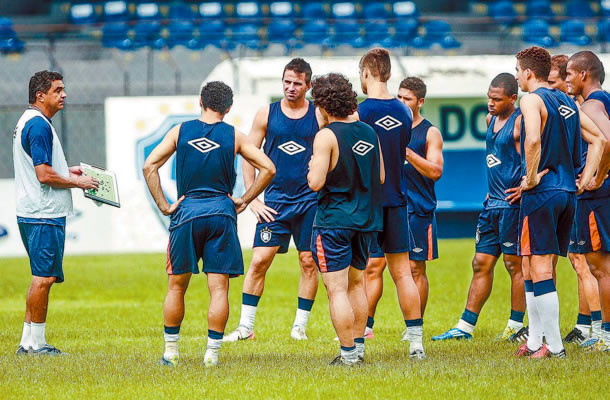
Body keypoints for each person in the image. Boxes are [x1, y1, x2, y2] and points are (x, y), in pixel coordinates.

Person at [143, 81, 275, 367]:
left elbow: (149, 166)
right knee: (219, 289)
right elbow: (269, 168)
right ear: (228, 108)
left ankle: (170, 353)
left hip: (186, 213)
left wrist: (165, 206)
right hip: (221, 214)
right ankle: (212, 355)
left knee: (176, 288)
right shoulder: (235, 136)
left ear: (200, 101)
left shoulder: (180, 131)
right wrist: (245, 199)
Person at [224, 58, 326, 342]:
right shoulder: (266, 114)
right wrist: (252, 198)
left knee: (308, 262)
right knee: (259, 261)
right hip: (275, 204)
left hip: (310, 202)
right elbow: (247, 153)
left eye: (297, 83)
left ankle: (299, 327)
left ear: (308, 85)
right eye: (287, 82)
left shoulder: (319, 115)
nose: (291, 87)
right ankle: (245, 328)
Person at [513, 46, 605, 359]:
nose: (517, 78)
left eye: (517, 72)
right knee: (529, 263)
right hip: (567, 193)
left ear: (527, 72)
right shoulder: (566, 101)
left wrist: (532, 175)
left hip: (542, 192)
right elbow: (599, 141)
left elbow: (533, 139)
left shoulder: (530, 99)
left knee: (538, 267)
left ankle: (554, 346)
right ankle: (537, 342)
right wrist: (585, 178)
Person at [433, 73, 527, 342]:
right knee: (480, 263)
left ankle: (515, 325)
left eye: (497, 99)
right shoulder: (489, 120)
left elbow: (536, 154)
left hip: (512, 206)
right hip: (491, 206)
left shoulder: (520, 122)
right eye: (489, 97)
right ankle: (465, 327)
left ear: (513, 98)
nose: (491, 103)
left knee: (514, 265)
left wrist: (525, 185)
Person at [13, 70, 99, 355]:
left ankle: (28, 342)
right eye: (57, 90)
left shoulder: (31, 121)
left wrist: (67, 171)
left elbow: (45, 169)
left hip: (34, 211)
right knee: (44, 278)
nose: (64, 95)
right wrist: (77, 181)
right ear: (40, 95)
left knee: (41, 276)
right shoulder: (38, 125)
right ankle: (35, 344)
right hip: (43, 212)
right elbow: (43, 175)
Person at [307, 72, 383, 365]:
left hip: (334, 222)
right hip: (366, 221)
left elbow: (315, 182)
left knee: (337, 289)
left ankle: (348, 355)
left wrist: (315, 163)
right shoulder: (369, 132)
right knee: (356, 285)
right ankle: (359, 349)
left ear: (324, 105)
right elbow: (381, 177)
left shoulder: (326, 135)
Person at [357, 48, 425, 358]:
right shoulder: (404, 112)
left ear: (367, 73)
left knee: (358, 276)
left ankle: (355, 343)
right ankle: (416, 345)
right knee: (403, 274)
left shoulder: (359, 113)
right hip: (398, 200)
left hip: (367, 205)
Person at [364, 76, 443, 341]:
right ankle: (366, 324)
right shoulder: (387, 122)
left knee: (414, 269)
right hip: (388, 206)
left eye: (407, 98)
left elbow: (436, 171)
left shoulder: (429, 132)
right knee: (373, 266)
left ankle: (413, 329)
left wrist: (406, 151)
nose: (401, 102)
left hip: (418, 208)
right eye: (398, 97)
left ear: (420, 102)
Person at [547, 54, 602, 346]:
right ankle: (588, 327)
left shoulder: (583, 108)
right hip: (581, 191)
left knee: (587, 262)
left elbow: (602, 141)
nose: (558, 88)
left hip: (586, 193)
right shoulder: (576, 107)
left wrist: (595, 176)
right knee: (585, 261)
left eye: (559, 81)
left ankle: (598, 331)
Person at [566, 50, 610, 352]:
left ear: (584, 74)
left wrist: (595, 176)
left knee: (601, 267)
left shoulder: (592, 105)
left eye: (569, 73)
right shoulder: (604, 100)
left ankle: (606, 335)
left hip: (596, 197)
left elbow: (606, 140)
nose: (567, 79)